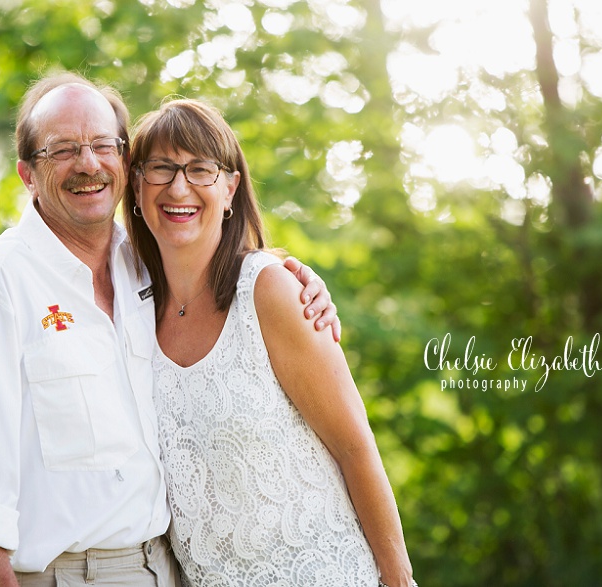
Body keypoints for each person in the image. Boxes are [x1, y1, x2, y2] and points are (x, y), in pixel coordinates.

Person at [0, 72, 339, 586]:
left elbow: (219, 268)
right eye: (62, 150)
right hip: (65, 575)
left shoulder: (145, 267)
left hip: (167, 569)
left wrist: (291, 275)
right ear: (26, 174)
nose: (88, 164)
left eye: (104, 145)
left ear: (125, 162)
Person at [124, 98, 415, 587]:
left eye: (200, 169)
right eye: (161, 169)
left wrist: (400, 581)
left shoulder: (270, 291)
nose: (179, 187)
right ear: (136, 185)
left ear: (230, 187)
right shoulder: (131, 309)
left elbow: (354, 447)